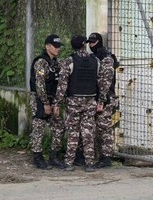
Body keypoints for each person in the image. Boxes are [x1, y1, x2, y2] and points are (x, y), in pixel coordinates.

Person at [54, 35, 107, 172]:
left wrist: (57, 103)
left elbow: (62, 85)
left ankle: (69, 162)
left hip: (74, 102)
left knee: (73, 132)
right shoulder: (95, 61)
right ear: (85, 44)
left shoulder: (69, 61)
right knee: (88, 131)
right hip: (90, 100)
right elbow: (101, 83)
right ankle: (89, 163)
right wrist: (101, 101)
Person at [29, 34, 66, 170]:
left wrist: (56, 104)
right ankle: (37, 157)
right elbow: (39, 85)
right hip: (40, 100)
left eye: (59, 47)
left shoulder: (55, 63)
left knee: (59, 127)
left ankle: (54, 156)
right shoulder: (41, 62)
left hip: (51, 100)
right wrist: (45, 103)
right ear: (47, 47)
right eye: (55, 47)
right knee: (38, 128)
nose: (58, 49)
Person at [87, 32, 119, 168]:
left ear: (99, 42)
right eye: (89, 42)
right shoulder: (95, 57)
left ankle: (106, 158)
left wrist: (101, 100)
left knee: (104, 129)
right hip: (99, 97)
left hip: (105, 98)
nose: (91, 45)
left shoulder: (106, 58)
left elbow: (106, 82)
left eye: (93, 42)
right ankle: (101, 156)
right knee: (98, 128)